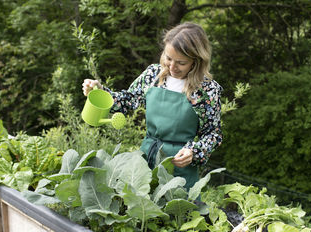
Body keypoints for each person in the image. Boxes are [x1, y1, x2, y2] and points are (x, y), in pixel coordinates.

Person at [82, 22, 223, 189]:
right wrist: (100, 92)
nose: (172, 67)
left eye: (181, 62)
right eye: (168, 58)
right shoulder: (153, 75)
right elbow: (128, 100)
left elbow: (213, 134)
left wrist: (194, 152)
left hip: (178, 169)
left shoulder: (207, 90)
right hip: (144, 163)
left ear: (196, 60)